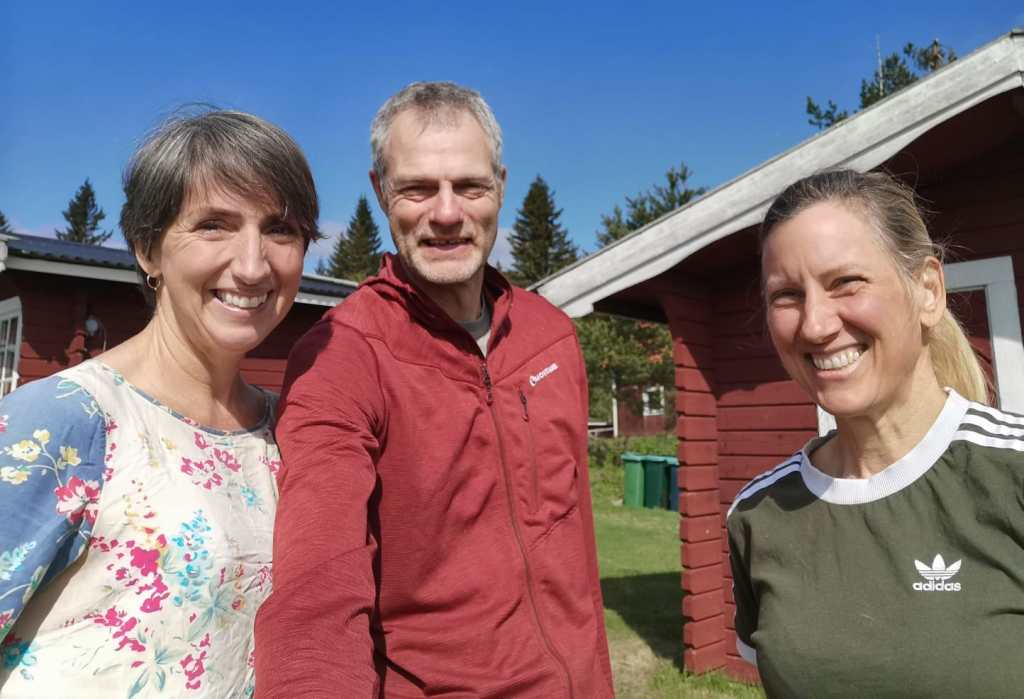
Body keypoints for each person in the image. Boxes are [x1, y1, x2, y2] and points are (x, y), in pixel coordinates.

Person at [254, 81, 614, 697]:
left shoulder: (550, 335)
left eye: (470, 186)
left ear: (500, 186)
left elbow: (574, 544)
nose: (446, 213)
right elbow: (318, 584)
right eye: (418, 188)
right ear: (380, 192)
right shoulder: (343, 354)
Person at [0, 109, 320, 696]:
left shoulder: (292, 432)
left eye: (280, 230)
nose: (253, 266)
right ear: (149, 249)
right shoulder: (69, 420)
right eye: (214, 225)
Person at [728, 169, 1024, 697]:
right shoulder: (757, 516)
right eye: (787, 296)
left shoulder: (1012, 473)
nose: (815, 325)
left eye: (846, 282)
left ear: (928, 291)